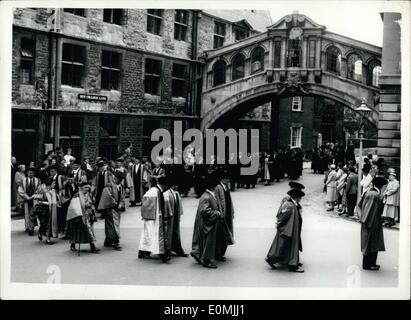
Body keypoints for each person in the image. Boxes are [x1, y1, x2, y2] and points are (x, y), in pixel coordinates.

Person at [265, 188, 305, 273]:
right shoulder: (289, 205)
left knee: (283, 246)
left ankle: (273, 259)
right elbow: (282, 217)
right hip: (288, 229)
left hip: (289, 229)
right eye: (300, 197)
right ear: (296, 197)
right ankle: (291, 265)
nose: (300, 199)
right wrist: (280, 226)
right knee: (282, 246)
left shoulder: (291, 204)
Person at [190, 172, 223, 269]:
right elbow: (204, 211)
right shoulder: (207, 197)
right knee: (208, 242)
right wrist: (217, 213)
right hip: (208, 224)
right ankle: (206, 260)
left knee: (206, 242)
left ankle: (200, 255)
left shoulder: (208, 195)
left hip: (209, 223)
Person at [138, 173, 171, 262]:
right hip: (152, 218)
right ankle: (151, 253)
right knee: (150, 235)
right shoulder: (153, 192)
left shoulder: (157, 191)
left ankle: (145, 252)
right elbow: (146, 205)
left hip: (155, 217)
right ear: (164, 185)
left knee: (149, 235)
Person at [358, 176, 387, 270]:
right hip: (371, 223)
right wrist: (370, 224)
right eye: (385, 187)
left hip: (372, 222)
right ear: (382, 186)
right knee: (369, 243)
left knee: (373, 244)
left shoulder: (370, 192)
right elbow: (369, 211)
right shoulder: (374, 195)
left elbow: (360, 205)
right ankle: (367, 265)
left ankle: (372, 263)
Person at [66, 181, 100, 253]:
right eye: (85, 188)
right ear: (81, 188)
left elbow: (92, 202)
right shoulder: (77, 195)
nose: (87, 189)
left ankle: (90, 246)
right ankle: (91, 247)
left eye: (88, 188)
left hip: (88, 214)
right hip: (81, 215)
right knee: (86, 230)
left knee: (88, 230)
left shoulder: (88, 194)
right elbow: (73, 207)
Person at [98, 171, 125, 250]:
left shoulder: (121, 186)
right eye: (115, 178)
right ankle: (115, 241)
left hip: (117, 209)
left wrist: (120, 204)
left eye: (118, 179)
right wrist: (115, 204)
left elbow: (123, 197)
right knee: (112, 224)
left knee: (114, 224)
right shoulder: (109, 186)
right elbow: (108, 196)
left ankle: (108, 240)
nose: (115, 180)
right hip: (110, 208)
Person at [164, 177, 188, 258]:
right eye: (175, 185)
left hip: (175, 217)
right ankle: (167, 251)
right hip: (170, 217)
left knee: (176, 233)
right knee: (169, 233)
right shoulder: (167, 194)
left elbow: (179, 205)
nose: (177, 187)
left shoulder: (176, 193)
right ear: (172, 185)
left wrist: (179, 215)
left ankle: (178, 250)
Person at [214, 168, 235, 261]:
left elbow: (229, 200)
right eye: (227, 178)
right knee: (221, 235)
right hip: (222, 214)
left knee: (226, 232)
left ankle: (221, 252)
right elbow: (218, 201)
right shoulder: (219, 187)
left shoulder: (226, 186)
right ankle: (218, 253)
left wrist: (232, 211)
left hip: (228, 213)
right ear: (223, 179)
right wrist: (221, 214)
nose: (229, 180)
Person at [33, 177, 58, 244]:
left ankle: (48, 238)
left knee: (49, 224)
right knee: (44, 223)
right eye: (54, 183)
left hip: (51, 208)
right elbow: (37, 199)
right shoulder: (41, 189)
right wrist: (45, 203)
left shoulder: (53, 190)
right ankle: (41, 232)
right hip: (43, 209)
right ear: (50, 183)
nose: (55, 184)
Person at [18, 166, 40, 235]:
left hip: (34, 199)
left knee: (33, 213)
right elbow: (20, 190)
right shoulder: (23, 180)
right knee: (27, 214)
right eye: (30, 173)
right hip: (26, 199)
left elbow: (39, 189)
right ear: (27, 173)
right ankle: (28, 227)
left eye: (33, 173)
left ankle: (31, 227)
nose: (32, 174)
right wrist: (26, 197)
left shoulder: (37, 180)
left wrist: (33, 196)